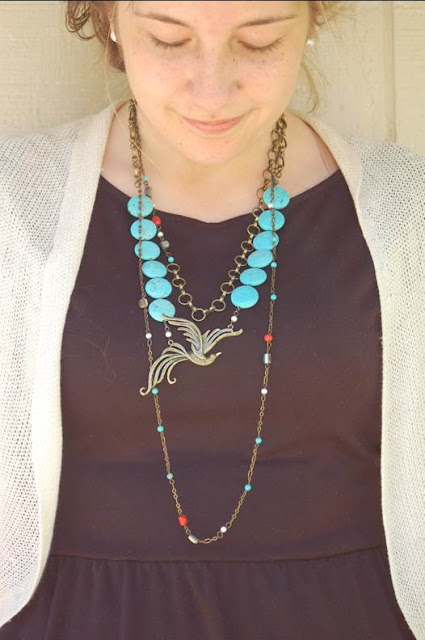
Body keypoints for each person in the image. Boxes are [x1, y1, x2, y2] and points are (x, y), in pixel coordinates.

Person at [0, 1, 424, 638]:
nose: (212, 90)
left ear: (311, 22)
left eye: (259, 42)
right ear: (111, 18)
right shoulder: (14, 205)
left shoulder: (408, 209)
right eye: (169, 40)